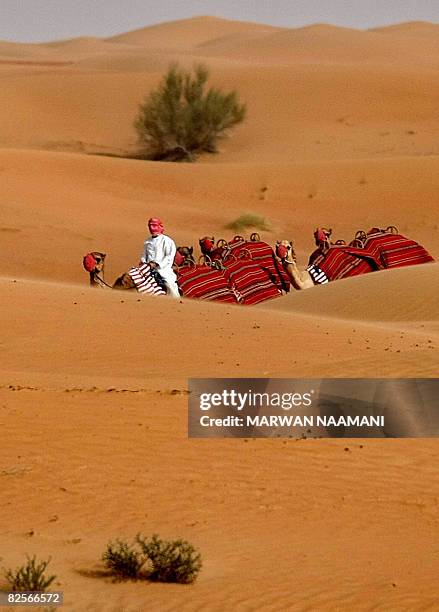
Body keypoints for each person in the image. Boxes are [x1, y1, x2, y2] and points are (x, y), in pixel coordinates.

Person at [140, 217, 180, 299]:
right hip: (147, 268)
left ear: (159, 226)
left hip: (163, 270)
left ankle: (177, 302)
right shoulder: (147, 242)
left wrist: (156, 264)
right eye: (150, 226)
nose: (151, 228)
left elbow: (169, 256)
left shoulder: (167, 241)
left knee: (169, 285)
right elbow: (144, 256)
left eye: (154, 225)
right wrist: (144, 263)